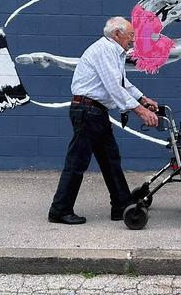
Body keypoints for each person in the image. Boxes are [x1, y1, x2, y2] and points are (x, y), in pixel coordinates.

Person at [48, 16, 159, 225]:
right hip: (87, 111)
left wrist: (142, 98)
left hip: (95, 112)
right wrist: (140, 111)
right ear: (117, 34)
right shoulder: (105, 50)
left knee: (110, 159)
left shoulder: (113, 52)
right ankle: (59, 210)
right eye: (130, 35)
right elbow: (113, 86)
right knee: (77, 162)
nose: (133, 40)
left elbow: (122, 82)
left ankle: (122, 205)